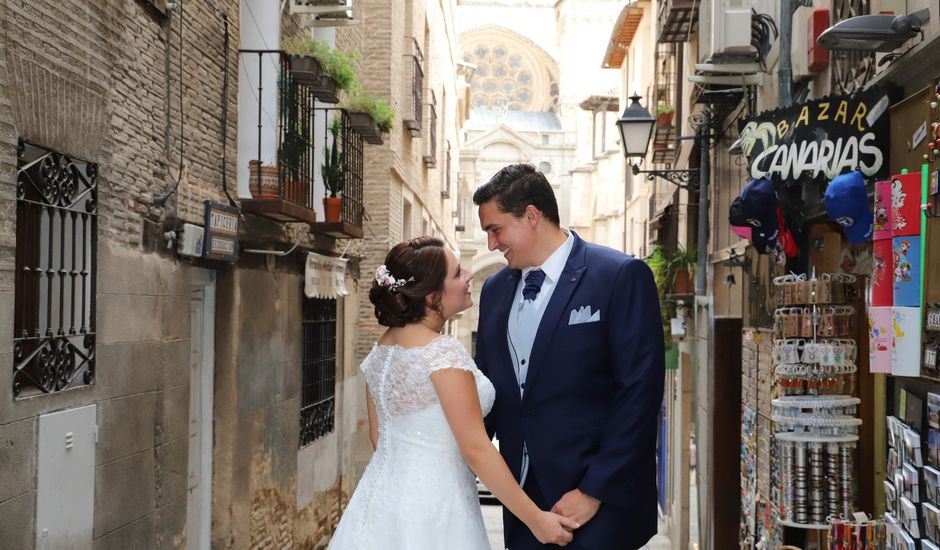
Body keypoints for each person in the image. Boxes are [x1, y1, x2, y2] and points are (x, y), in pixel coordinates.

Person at [328, 236, 579, 550]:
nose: (469, 276)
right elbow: (476, 449)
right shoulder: (441, 352)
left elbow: (379, 439)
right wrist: (536, 520)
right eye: (458, 273)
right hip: (436, 509)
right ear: (433, 295)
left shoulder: (381, 350)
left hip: (379, 504)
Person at [473, 164, 665, 550]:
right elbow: (490, 392)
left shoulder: (619, 275)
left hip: (600, 506)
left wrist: (594, 491)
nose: (492, 244)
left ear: (531, 215)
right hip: (524, 507)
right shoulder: (494, 290)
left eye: (496, 230)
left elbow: (639, 393)